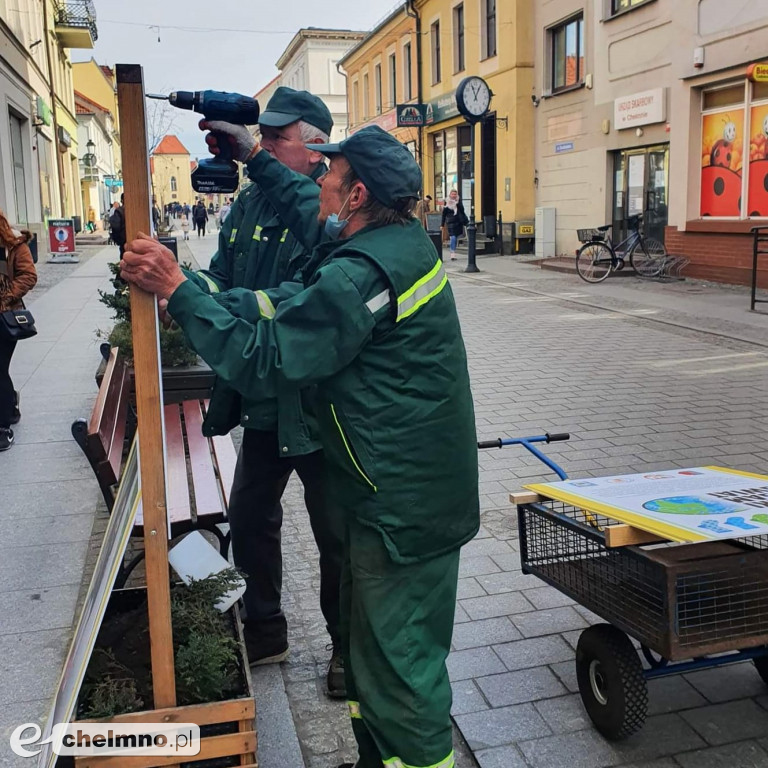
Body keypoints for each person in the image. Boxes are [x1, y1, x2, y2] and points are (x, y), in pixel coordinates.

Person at [120, 124, 479, 768]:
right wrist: (202, 298)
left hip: (401, 507)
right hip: (391, 495)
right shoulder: (386, 246)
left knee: (400, 674)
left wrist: (179, 290)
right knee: (368, 657)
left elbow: (269, 360)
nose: (319, 188)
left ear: (356, 194)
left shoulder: (366, 269)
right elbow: (288, 304)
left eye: (330, 179)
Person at [147, 88, 347, 695]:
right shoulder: (252, 203)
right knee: (250, 514)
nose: (260, 146)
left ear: (313, 147)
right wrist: (181, 283)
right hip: (265, 403)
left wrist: (194, 297)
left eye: (274, 137)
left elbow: (290, 306)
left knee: (335, 531)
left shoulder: (327, 208)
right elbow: (225, 277)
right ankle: (265, 629)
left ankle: (347, 648)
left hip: (315, 406)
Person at [0, 210, 37, 452]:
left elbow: (29, 275)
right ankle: (10, 403)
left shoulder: (12, 244)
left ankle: (3, 426)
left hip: (3, 316)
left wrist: (5, 297)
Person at [441, 189, 468, 261]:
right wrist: (442, 224)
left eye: (455, 194)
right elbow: (444, 214)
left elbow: (462, 210)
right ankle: (452, 253)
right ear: (450, 195)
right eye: (452, 194)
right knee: (453, 237)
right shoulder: (447, 202)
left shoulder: (458, 201)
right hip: (450, 222)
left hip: (458, 222)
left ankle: (453, 250)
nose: (454, 195)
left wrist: (458, 203)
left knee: (455, 237)